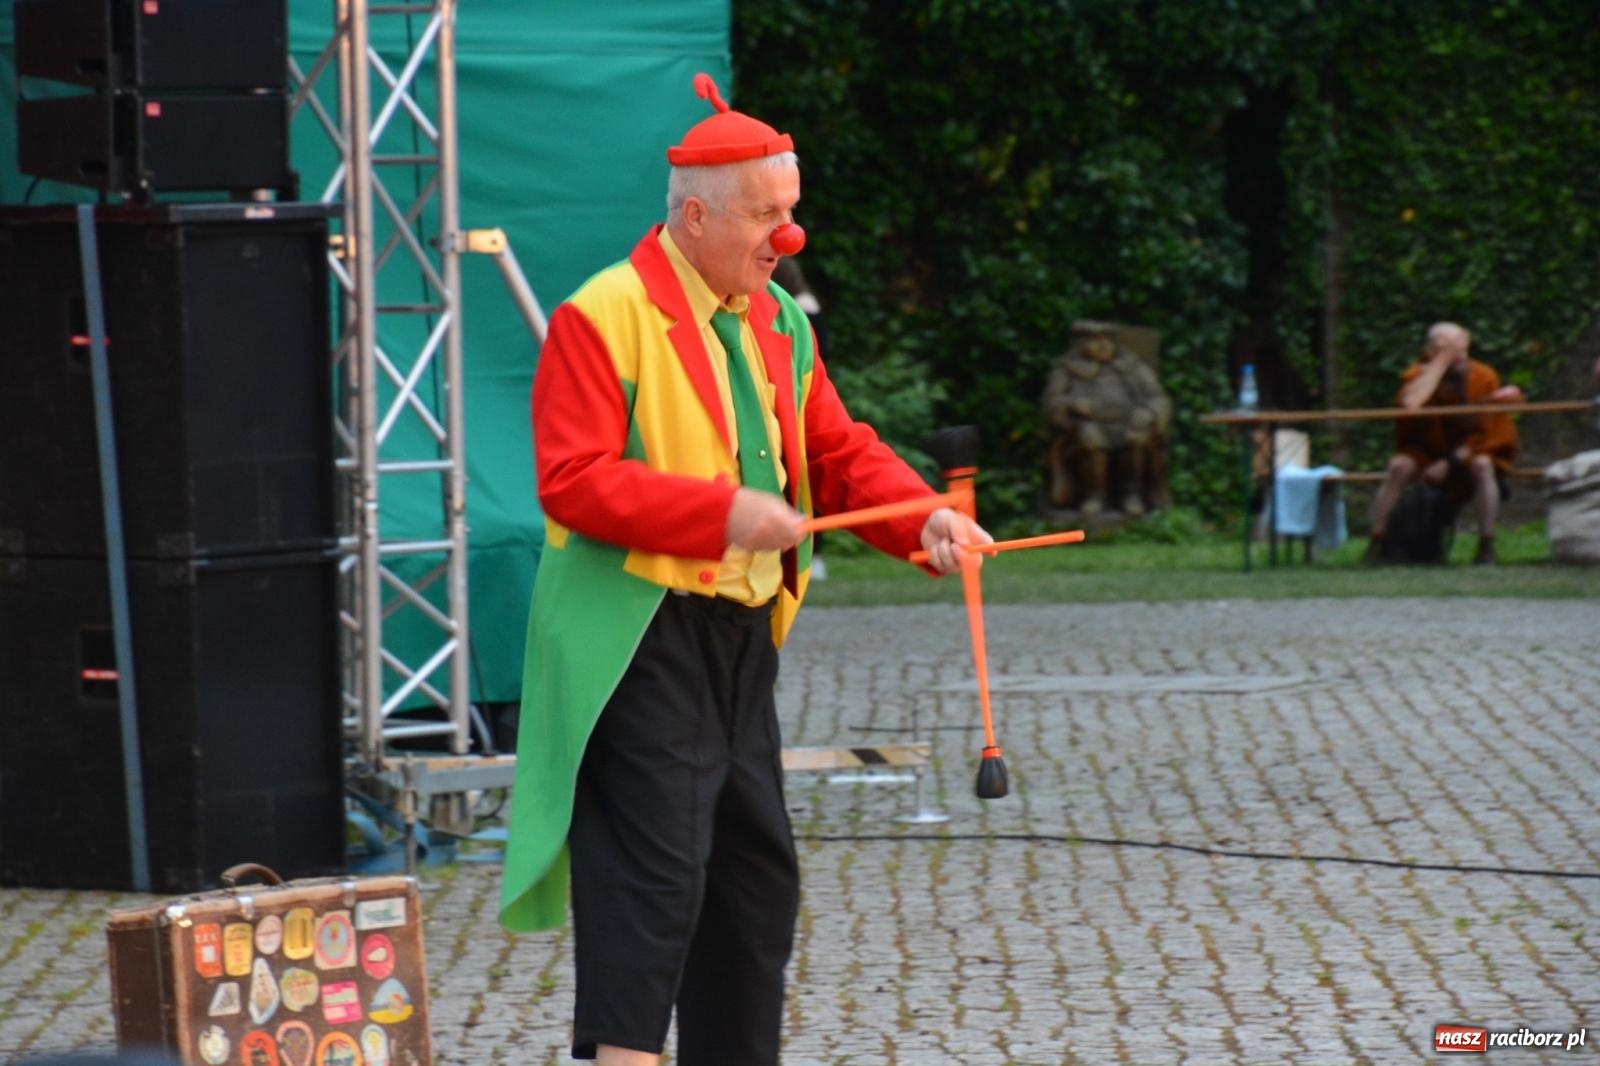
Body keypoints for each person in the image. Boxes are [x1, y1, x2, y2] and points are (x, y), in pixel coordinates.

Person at [498, 73, 991, 1066]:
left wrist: (923, 517)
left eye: (791, 212)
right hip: (635, 633)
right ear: (693, 214)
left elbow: (839, 449)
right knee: (653, 882)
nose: (787, 236)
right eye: (767, 216)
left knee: (751, 883)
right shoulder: (604, 313)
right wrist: (721, 511)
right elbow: (573, 479)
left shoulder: (777, 320)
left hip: (738, 636)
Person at [1364, 322, 1524, 565]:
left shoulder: (1483, 376)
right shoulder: (1416, 374)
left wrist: (1449, 462)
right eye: (1447, 349)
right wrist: (1440, 363)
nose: (1457, 356)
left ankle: (1486, 545)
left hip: (1468, 451)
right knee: (1398, 467)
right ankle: (1377, 542)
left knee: (1482, 466)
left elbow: (1487, 433)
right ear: (1431, 351)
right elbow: (1410, 405)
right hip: (1425, 450)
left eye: (1460, 349)